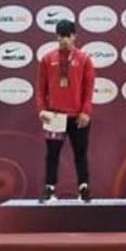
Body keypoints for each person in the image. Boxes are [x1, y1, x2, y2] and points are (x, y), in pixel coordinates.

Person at [36, 19, 95, 203]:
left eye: (67, 36)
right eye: (60, 36)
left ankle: (83, 189)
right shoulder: (47, 59)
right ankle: (50, 189)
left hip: (78, 116)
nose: (63, 40)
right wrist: (42, 110)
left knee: (80, 154)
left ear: (74, 36)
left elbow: (89, 88)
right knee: (52, 155)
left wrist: (86, 112)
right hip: (55, 116)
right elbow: (41, 89)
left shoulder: (84, 59)